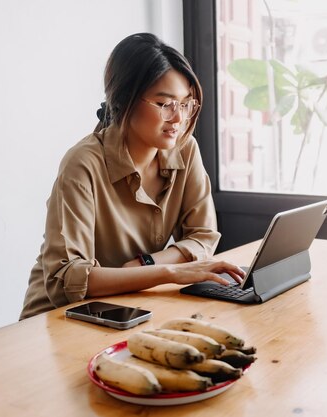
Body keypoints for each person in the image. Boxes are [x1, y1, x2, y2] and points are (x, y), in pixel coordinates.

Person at [20, 33, 245, 319]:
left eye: (186, 103)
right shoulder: (83, 164)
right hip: (56, 318)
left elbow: (203, 237)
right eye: (165, 104)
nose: (179, 119)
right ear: (125, 100)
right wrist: (168, 271)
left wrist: (145, 263)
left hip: (125, 309)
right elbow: (66, 278)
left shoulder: (185, 149)